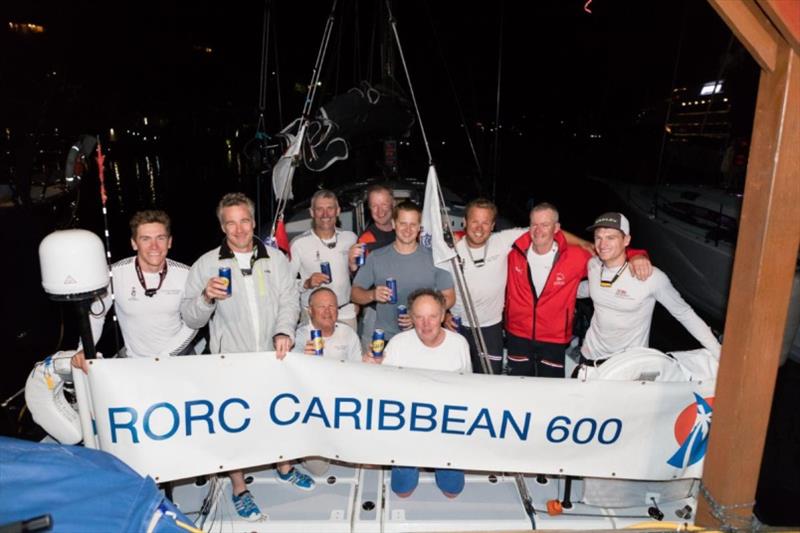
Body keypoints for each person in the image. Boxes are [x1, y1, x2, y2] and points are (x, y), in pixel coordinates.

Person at [180, 192, 310, 521]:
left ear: (253, 222)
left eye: (244, 221)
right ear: (222, 227)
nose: (239, 230)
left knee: (281, 414)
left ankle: (284, 466)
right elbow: (190, 318)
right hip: (230, 362)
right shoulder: (207, 264)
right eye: (231, 223)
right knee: (234, 425)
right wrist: (206, 298)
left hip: (272, 357)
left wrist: (284, 331)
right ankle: (239, 487)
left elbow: (289, 301)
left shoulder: (276, 258)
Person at [447, 198, 594, 375]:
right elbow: (434, 282)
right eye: (474, 221)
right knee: (452, 377)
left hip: (493, 328)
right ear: (465, 222)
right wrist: (444, 313)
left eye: (485, 222)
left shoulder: (504, 242)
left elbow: (609, 259)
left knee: (489, 379)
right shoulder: (450, 248)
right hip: (457, 325)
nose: (479, 228)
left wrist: (586, 244)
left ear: (493, 225)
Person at [504, 203, 652, 378]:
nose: (538, 230)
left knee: (551, 391)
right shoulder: (513, 252)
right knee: (516, 387)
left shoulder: (576, 256)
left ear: (557, 228)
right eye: (534, 225)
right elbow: (479, 241)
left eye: (545, 225)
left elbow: (610, 253)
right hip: (517, 334)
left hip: (554, 339)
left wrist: (637, 255)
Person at [363, 288, 471, 498]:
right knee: (402, 492)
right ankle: (410, 465)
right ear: (411, 318)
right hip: (407, 427)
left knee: (452, 491)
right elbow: (380, 387)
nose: (426, 324)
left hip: (445, 427)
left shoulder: (459, 344)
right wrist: (370, 366)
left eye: (432, 316)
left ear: (442, 316)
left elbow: (467, 389)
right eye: (419, 317)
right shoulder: (398, 343)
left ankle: (442, 464)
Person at [578, 212, 721, 365]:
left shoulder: (651, 278)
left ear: (626, 240)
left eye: (610, 238)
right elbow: (592, 289)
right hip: (589, 354)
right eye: (598, 237)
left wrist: (719, 352)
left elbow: (684, 314)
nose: (602, 244)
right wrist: (557, 289)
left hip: (627, 363)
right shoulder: (593, 265)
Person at [71, 210, 196, 372]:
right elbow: (96, 315)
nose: (154, 246)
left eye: (161, 238)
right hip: (135, 364)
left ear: (170, 242)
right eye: (145, 239)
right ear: (134, 243)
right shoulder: (113, 274)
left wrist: (165, 357)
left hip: (181, 359)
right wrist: (84, 348)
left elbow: (194, 322)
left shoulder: (187, 274)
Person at [351, 200, 455, 342]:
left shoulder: (435, 259)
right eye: (403, 223)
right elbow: (355, 294)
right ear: (394, 224)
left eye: (413, 225)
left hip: (424, 336)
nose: (408, 229)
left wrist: (421, 315)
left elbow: (449, 297)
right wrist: (372, 294)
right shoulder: (376, 257)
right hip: (386, 338)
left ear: (419, 227)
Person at [292, 287, 361, 476]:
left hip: (342, 403)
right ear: (310, 311)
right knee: (319, 469)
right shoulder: (298, 337)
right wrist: (300, 358)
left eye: (332, 306)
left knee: (358, 453)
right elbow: (288, 378)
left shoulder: (347, 333)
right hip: (311, 409)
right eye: (321, 307)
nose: (327, 311)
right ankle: (299, 446)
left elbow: (360, 372)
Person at [290, 189, 358, 329]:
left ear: (338, 211)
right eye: (319, 209)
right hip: (312, 315)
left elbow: (361, 275)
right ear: (312, 212)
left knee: (349, 350)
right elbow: (287, 283)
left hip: (344, 312)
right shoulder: (298, 244)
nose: (325, 214)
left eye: (330, 208)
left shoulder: (350, 238)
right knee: (311, 351)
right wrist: (307, 283)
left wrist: (357, 302)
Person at [349, 184, 396, 349]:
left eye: (384, 204)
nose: (380, 210)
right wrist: (352, 266)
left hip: (405, 312)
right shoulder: (366, 239)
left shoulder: (406, 230)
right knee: (372, 362)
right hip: (376, 312)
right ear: (369, 209)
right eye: (374, 206)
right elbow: (359, 283)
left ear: (393, 204)